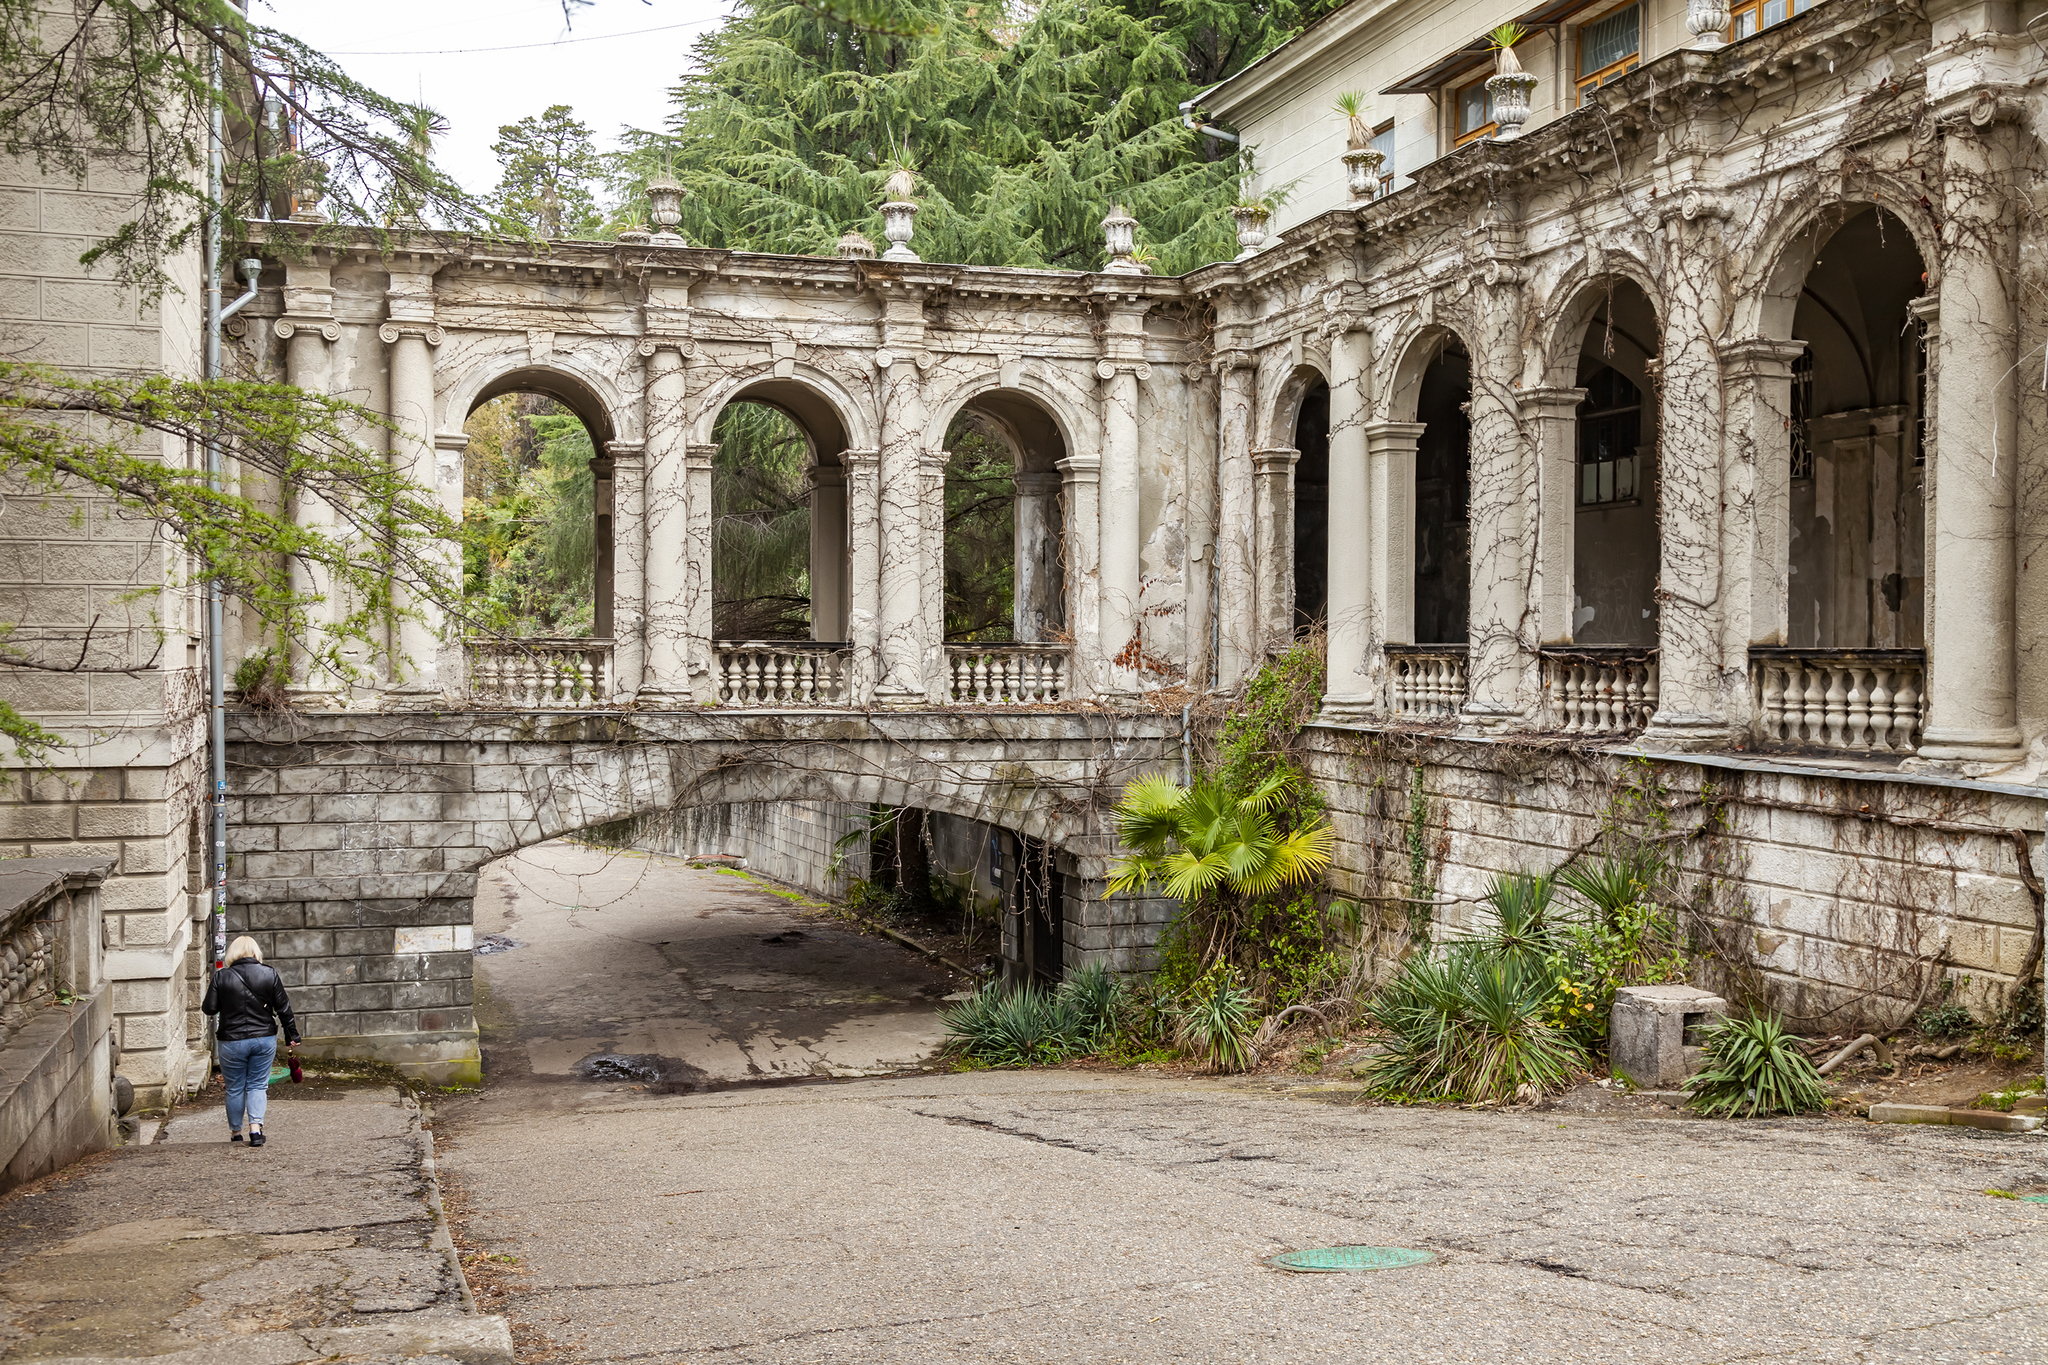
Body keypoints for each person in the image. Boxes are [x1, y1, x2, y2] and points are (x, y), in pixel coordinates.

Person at [200, 936, 300, 1147]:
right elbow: (284, 1009)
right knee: (257, 1085)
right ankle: (255, 1129)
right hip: (263, 1039)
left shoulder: (222, 977)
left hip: (231, 1040)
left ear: (233, 953)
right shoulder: (269, 973)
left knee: (235, 1088)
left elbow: (209, 1008)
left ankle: (236, 1133)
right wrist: (292, 1035)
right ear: (255, 952)